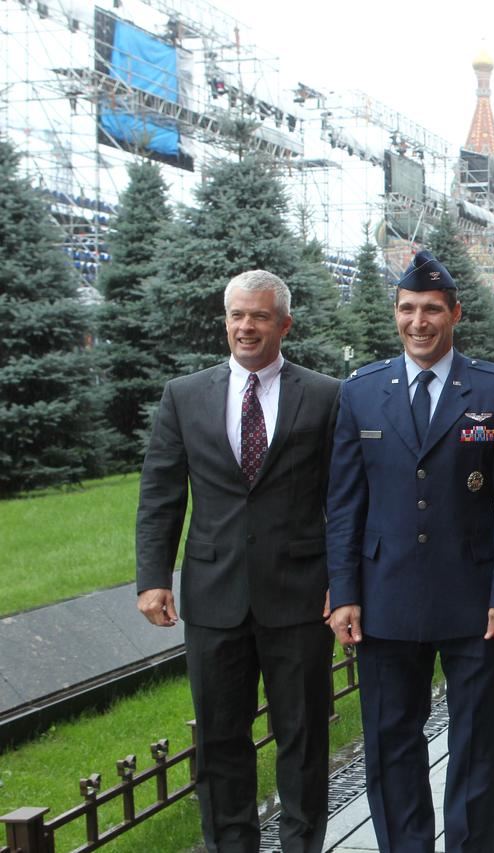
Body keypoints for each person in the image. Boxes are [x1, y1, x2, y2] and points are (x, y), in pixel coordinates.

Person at [325, 249, 494, 853]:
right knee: (390, 742)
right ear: (396, 314)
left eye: (432, 309)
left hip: (474, 600)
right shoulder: (361, 392)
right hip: (383, 596)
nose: (420, 321)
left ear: (455, 314)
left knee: (477, 744)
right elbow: (343, 503)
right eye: (409, 309)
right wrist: (344, 592)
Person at [135, 270, 339, 853]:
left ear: (284, 324)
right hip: (214, 596)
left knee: (303, 738)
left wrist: (343, 582)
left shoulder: (325, 395)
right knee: (221, 739)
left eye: (259, 317)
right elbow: (160, 493)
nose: (246, 327)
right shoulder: (185, 395)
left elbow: (345, 499)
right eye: (236, 316)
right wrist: (153, 578)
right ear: (225, 321)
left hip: (299, 597)